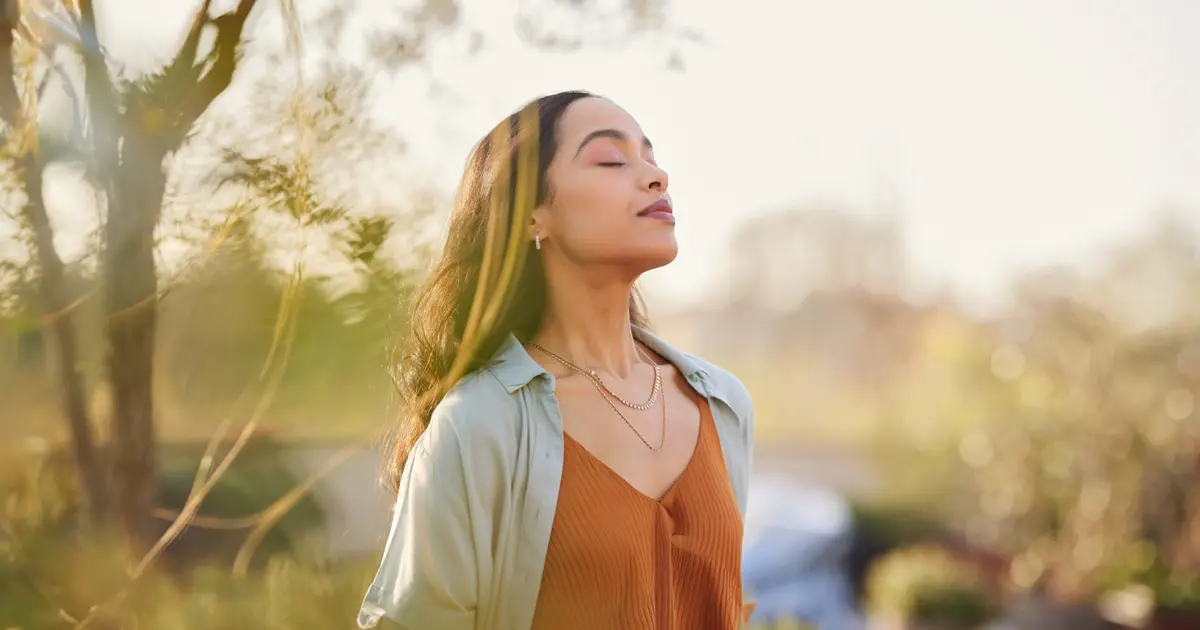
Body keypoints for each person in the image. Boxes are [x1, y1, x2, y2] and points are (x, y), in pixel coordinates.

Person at [358, 90, 755, 630]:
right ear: (532, 217)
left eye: (650, 157)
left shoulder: (722, 404)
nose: (655, 177)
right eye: (612, 159)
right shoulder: (479, 424)